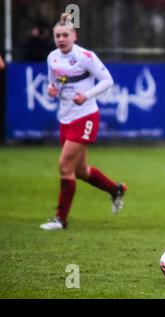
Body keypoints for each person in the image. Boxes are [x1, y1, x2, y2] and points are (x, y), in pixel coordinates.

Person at [40, 13, 127, 230]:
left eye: (65, 35)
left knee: (64, 165)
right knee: (80, 171)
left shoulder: (85, 56)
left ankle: (60, 219)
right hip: (66, 118)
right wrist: (52, 90)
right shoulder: (52, 58)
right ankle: (116, 190)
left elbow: (108, 80)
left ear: (74, 36)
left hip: (85, 116)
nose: (61, 39)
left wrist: (86, 96)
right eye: (57, 35)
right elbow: (54, 85)